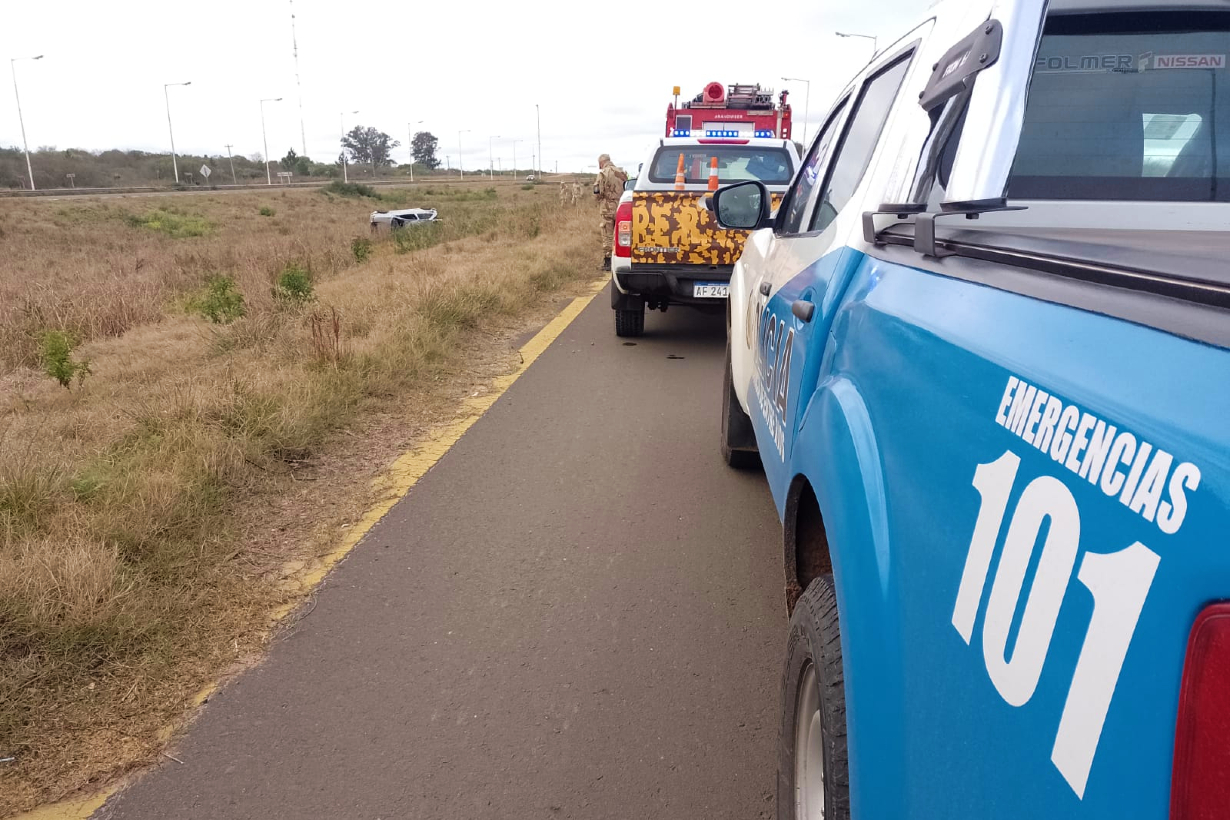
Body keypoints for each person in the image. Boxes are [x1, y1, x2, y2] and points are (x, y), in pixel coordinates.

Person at [593, 153, 628, 269]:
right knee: (621, 234)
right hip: (621, 207)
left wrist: (598, 199)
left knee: (607, 234)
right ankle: (622, 259)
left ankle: (608, 261)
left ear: (602, 162)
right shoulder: (622, 173)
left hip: (607, 207)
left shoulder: (603, 173)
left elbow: (598, 192)